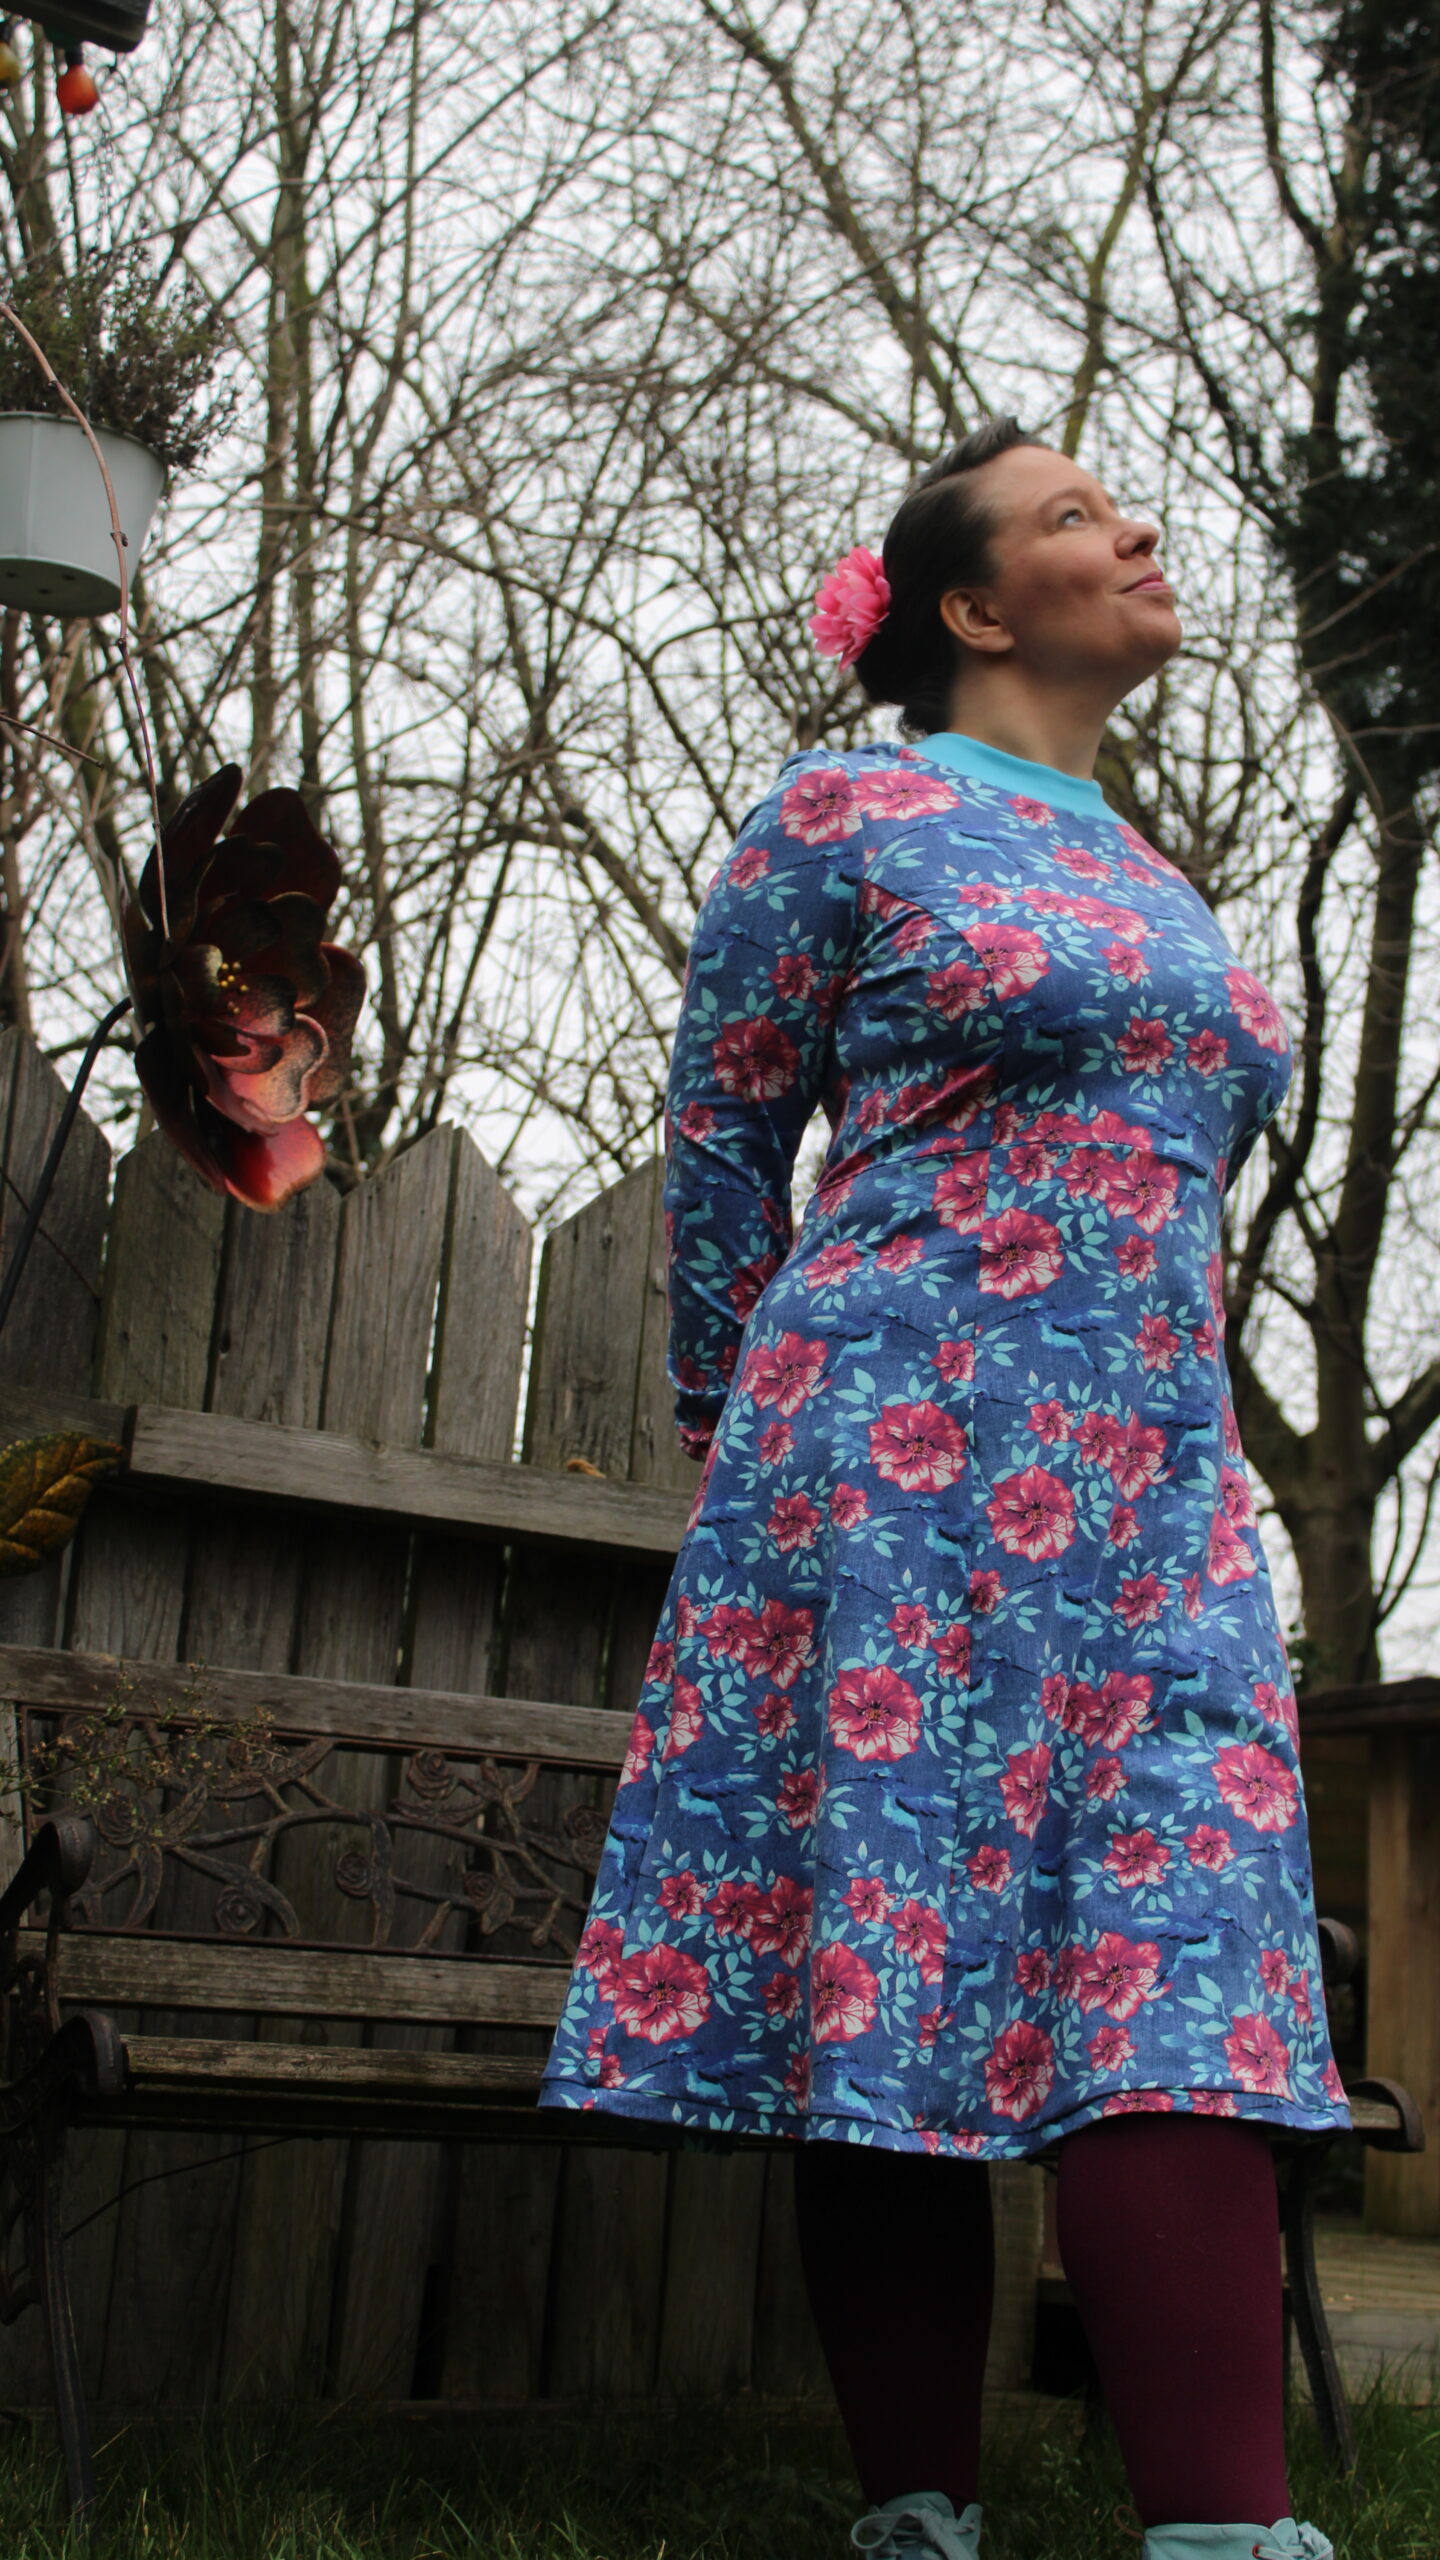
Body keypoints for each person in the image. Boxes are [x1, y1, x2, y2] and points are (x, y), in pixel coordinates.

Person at [541, 417, 1348, 2560]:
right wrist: (749, 1447)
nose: (1133, 527)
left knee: (1185, 1952)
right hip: (896, 1462)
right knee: (888, 1941)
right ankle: (916, 2513)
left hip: (1156, 1490)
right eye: (1075, 514)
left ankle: (1228, 2535)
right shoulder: (843, 810)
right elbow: (725, 1135)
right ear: (975, 607)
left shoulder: (1150, 868)